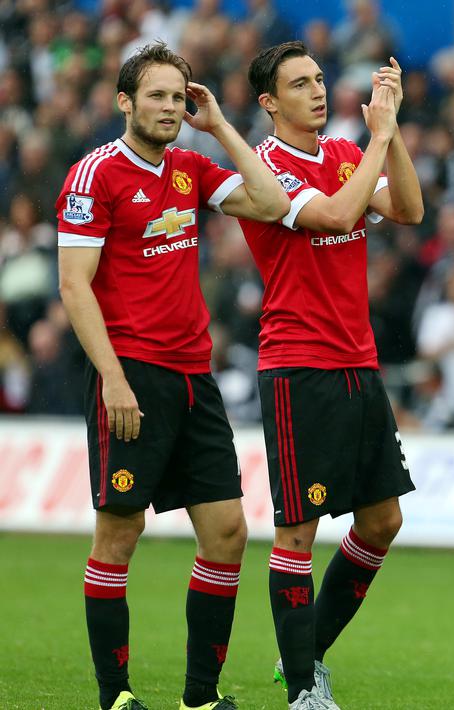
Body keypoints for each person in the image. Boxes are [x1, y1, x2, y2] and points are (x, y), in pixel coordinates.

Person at [56, 42, 290, 710]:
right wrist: (112, 378)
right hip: (132, 375)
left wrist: (218, 125)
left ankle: (199, 698)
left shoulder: (189, 167)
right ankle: (116, 697)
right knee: (119, 535)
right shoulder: (94, 175)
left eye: (177, 96)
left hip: (195, 377)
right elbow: (75, 287)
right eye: (155, 95)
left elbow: (271, 204)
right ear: (124, 102)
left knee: (227, 533)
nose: (168, 107)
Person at [236, 41, 425, 710]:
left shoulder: (346, 153)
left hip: (357, 362)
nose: (316, 92)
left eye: (319, 79)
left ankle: (307, 657)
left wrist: (389, 131)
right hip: (298, 366)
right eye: (298, 84)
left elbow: (408, 208)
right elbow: (339, 215)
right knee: (298, 532)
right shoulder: (263, 170)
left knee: (381, 522)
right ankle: (300, 691)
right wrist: (374, 139)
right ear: (268, 103)